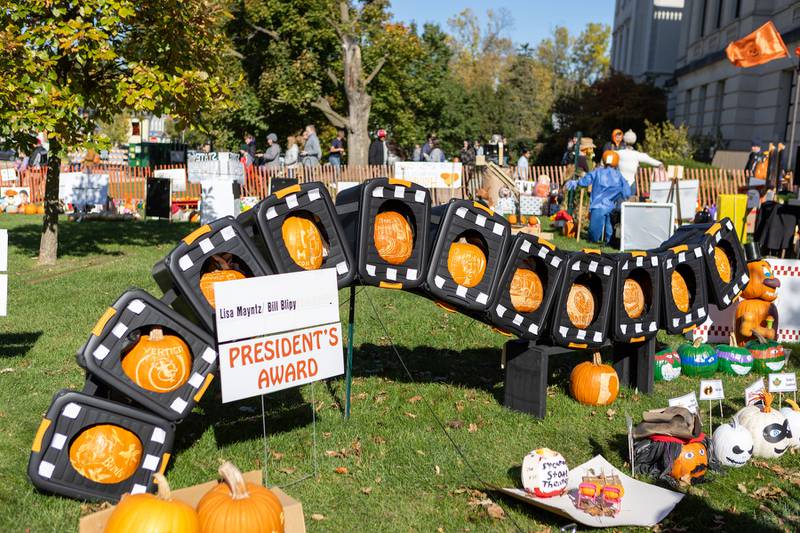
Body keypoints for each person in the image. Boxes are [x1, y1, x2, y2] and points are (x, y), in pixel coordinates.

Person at [578, 150, 631, 244]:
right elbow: (627, 192)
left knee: (594, 232)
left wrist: (577, 182)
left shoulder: (597, 172)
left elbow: (584, 182)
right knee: (609, 225)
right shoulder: (619, 175)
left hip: (597, 206)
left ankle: (593, 240)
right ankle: (608, 241)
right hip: (611, 206)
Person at [617, 130, 663, 196]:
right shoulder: (637, 154)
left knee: (620, 203)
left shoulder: (619, 153)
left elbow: (608, 157)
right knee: (629, 204)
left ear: (624, 140)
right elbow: (649, 159)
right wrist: (659, 163)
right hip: (631, 183)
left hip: (620, 183)